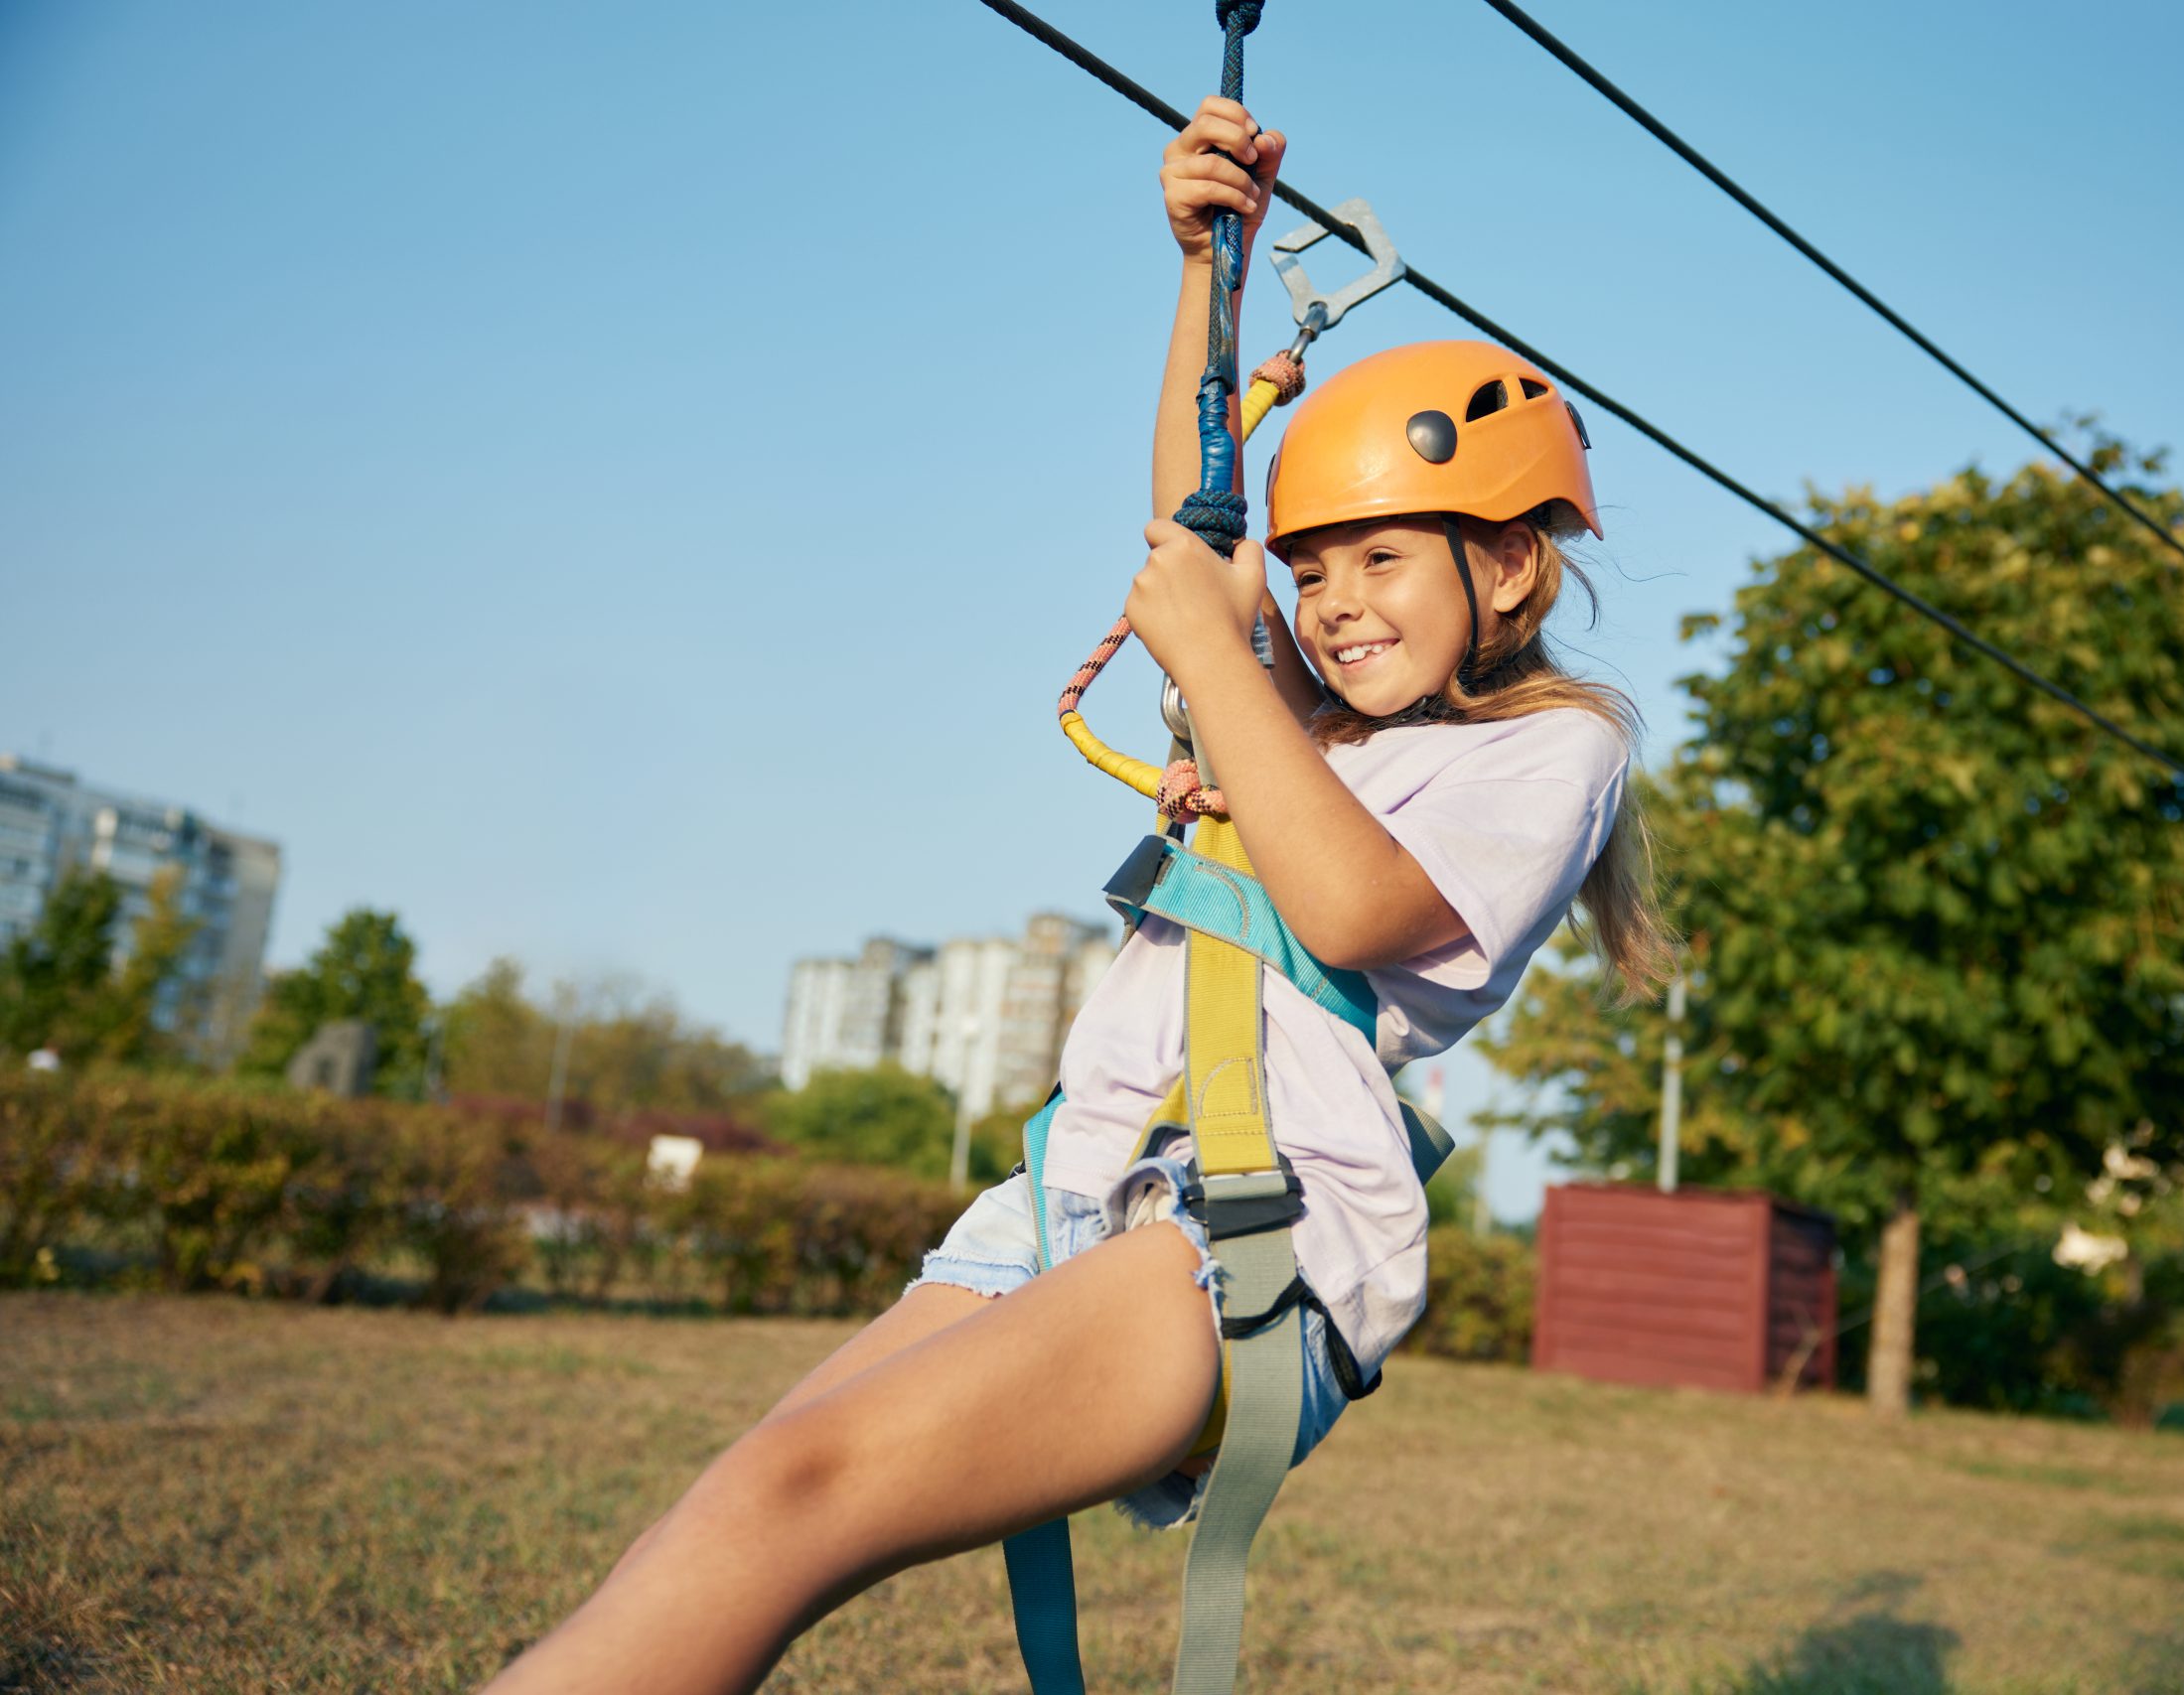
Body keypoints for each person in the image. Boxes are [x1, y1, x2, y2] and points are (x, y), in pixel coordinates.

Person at [482, 96, 1665, 1695]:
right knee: (746, 1498)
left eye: (1380, 559)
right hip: (1066, 1200)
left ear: (1509, 569)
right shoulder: (1296, 730)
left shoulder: (1554, 751)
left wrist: (1222, 686)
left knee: (797, 1499)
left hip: (1256, 1225)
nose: (1328, 606)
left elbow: (1356, 910)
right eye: (1313, 574)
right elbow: (1204, 533)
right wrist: (1206, 268)